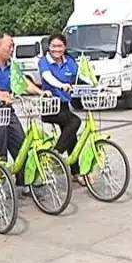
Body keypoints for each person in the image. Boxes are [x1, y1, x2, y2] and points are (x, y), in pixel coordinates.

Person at [0, 33, 48, 186]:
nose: (12, 49)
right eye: (9, 46)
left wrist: (40, 92)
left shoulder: (11, 65)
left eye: (13, 46)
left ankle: (24, 181)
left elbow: (23, 83)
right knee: (0, 132)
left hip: (5, 109)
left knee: (20, 140)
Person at [39, 34, 85, 184]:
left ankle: (76, 173)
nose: (56, 49)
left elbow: (80, 76)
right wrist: (61, 85)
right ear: (49, 47)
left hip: (64, 106)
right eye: (53, 46)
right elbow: (48, 77)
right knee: (75, 122)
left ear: (65, 47)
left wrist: (97, 85)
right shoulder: (44, 61)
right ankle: (56, 153)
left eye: (60, 46)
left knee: (72, 138)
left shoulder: (69, 61)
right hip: (50, 107)